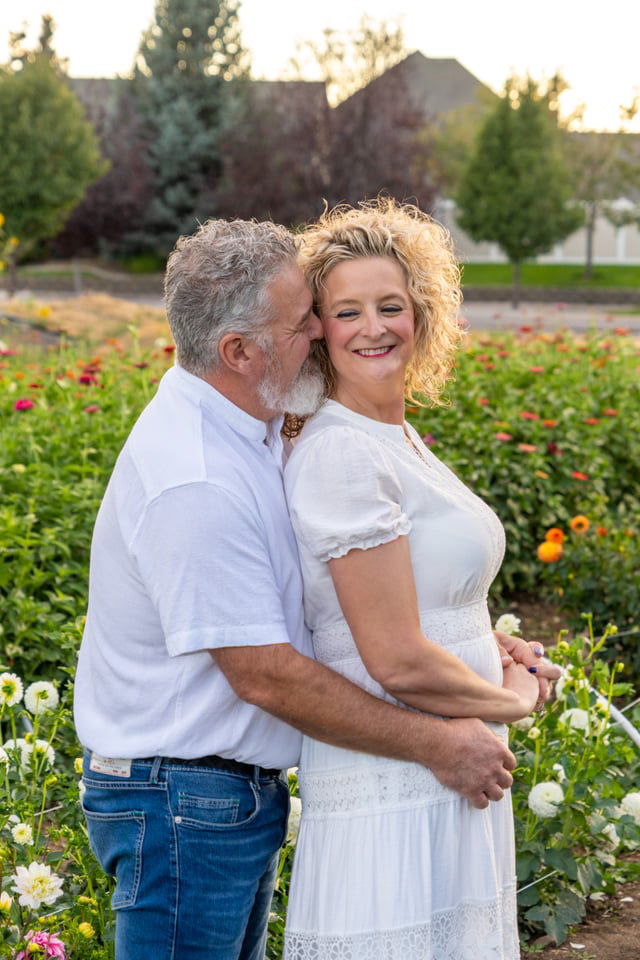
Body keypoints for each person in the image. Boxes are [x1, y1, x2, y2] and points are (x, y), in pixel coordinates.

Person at [74, 217, 555, 960]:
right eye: (308, 322)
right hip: (180, 799)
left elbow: (320, 603)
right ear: (239, 352)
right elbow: (267, 673)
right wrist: (494, 708)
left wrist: (468, 639)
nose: (324, 335)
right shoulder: (196, 480)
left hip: (217, 797)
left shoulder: (254, 429)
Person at [282, 199, 550, 960]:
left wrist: (494, 647)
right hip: (393, 780)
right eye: (347, 311)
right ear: (318, 330)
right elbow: (395, 657)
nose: (373, 327)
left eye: (391, 306)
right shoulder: (342, 452)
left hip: (448, 769)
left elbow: (426, 601)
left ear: (423, 313)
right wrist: (515, 700)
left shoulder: (392, 435)